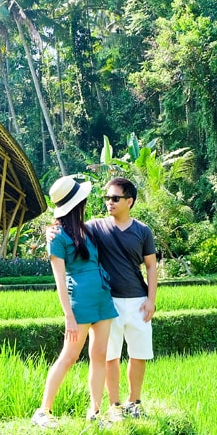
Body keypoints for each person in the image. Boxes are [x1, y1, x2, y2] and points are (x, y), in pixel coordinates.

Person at [47, 177, 157, 421]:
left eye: (115, 198)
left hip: (125, 302)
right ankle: (111, 405)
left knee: (125, 355)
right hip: (104, 302)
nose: (109, 202)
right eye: (107, 198)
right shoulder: (94, 227)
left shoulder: (138, 231)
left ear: (129, 201)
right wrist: (51, 228)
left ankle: (124, 404)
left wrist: (151, 298)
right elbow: (65, 237)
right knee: (104, 357)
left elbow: (151, 266)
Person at [31, 176, 117, 428]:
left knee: (99, 355)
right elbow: (59, 279)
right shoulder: (56, 235)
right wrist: (68, 315)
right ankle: (43, 411)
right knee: (68, 356)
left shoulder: (87, 229)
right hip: (79, 302)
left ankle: (95, 412)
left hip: (102, 297)